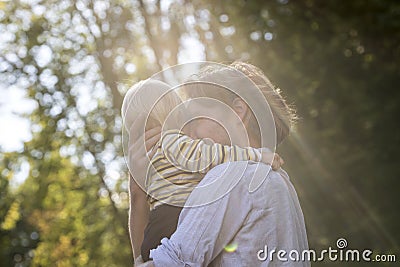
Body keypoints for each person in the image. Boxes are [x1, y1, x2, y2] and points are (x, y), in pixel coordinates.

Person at [131, 62, 309, 266]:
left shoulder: (234, 177)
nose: (189, 134)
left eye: (196, 119)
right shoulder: (277, 181)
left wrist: (137, 194)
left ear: (238, 111)